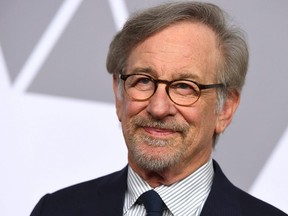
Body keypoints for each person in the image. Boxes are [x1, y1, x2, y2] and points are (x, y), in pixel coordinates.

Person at [30, 2, 287, 216]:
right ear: (119, 96)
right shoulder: (55, 210)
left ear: (225, 109)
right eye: (143, 80)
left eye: (185, 87)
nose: (158, 107)